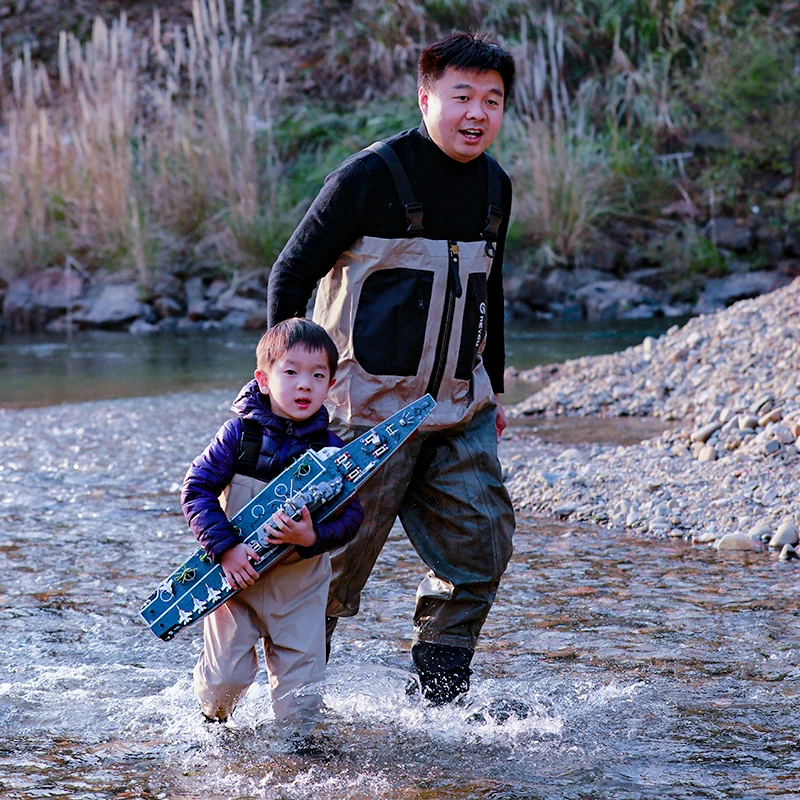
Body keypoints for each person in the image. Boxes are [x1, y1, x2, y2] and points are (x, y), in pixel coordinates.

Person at [267, 31, 516, 705]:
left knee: (481, 550)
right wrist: (282, 394)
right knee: (324, 569)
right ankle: (289, 717)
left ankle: (439, 701)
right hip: (358, 418)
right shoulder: (368, 177)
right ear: (426, 95)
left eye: (492, 101)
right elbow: (290, 273)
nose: (476, 114)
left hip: (458, 412)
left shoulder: (496, 186)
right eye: (461, 96)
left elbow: (489, 294)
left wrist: (495, 394)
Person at [181, 317, 364, 725]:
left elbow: (353, 517)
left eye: (318, 375)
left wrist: (312, 535)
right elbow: (196, 490)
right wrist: (225, 549)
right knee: (222, 683)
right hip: (236, 580)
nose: (305, 385)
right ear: (263, 380)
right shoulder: (239, 436)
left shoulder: (333, 451)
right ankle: (213, 733)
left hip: (300, 586)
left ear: (330, 385)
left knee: (300, 700)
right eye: (292, 372)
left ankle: (295, 758)